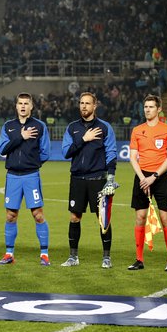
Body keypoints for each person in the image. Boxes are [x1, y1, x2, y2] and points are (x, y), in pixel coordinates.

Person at [60, 92, 118, 268]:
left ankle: (106, 258)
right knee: (74, 217)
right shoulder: (72, 128)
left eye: (87, 103)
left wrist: (110, 179)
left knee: (103, 219)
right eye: (81, 103)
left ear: (95, 106)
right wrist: (84, 139)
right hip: (77, 179)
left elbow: (111, 153)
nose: (83, 106)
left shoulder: (104, 127)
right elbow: (66, 152)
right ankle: (73, 257)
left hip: (98, 180)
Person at [0, 92, 51, 266]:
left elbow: (45, 152)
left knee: (38, 215)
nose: (22, 106)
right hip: (12, 176)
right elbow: (2, 149)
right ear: (16, 106)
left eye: (26, 103)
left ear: (31, 106)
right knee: (11, 216)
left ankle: (44, 254)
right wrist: (21, 136)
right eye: (20, 103)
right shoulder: (8, 126)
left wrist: (31, 164)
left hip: (31, 176)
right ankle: (9, 254)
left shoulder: (40, 126)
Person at [128, 94, 167, 271]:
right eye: (145, 107)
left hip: (161, 177)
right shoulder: (137, 130)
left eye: (151, 107)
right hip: (142, 177)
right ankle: (139, 259)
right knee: (140, 217)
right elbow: (133, 157)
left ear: (158, 109)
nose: (147, 110)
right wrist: (143, 178)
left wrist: (154, 177)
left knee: (165, 217)